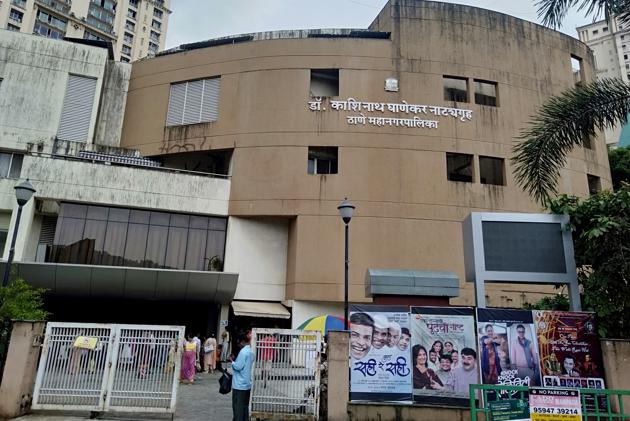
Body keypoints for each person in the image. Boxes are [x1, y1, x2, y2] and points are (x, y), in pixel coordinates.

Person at [231, 333, 254, 421]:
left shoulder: (243, 352)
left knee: (238, 409)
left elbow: (238, 366)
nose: (239, 345)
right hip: (247, 383)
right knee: (244, 407)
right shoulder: (251, 352)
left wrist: (232, 362)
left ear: (243, 342)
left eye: (239, 343)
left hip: (239, 385)